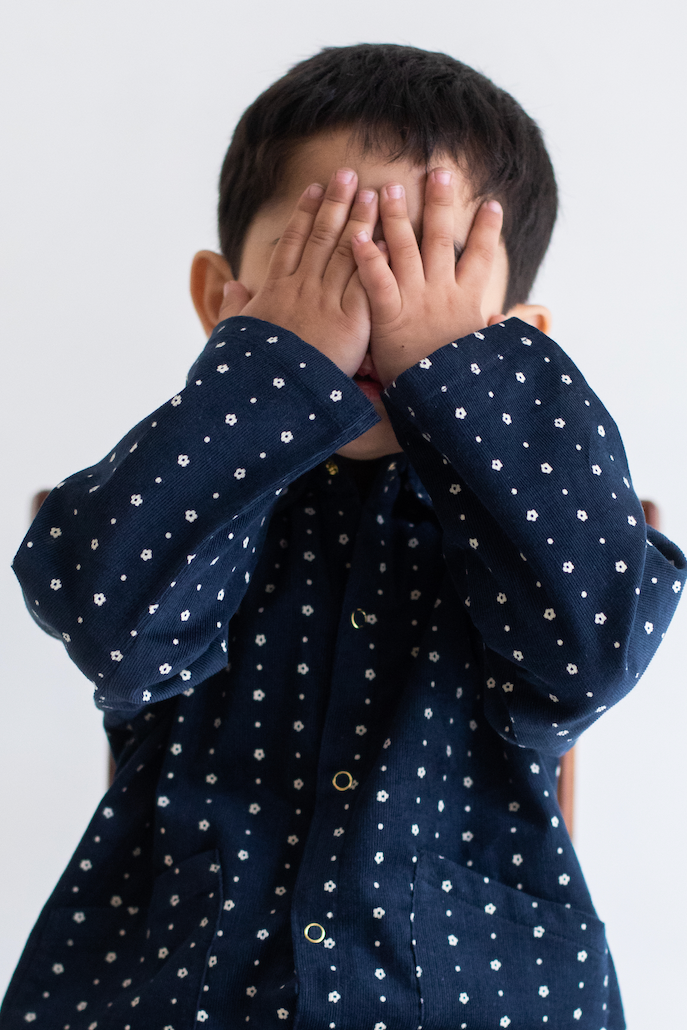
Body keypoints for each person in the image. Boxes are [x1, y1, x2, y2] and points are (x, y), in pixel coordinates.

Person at [2, 43, 684, 1030]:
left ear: (515, 338)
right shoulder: (182, 489)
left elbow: (587, 652)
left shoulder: (540, 521)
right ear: (223, 301)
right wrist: (275, 372)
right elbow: (114, 622)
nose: (380, 305)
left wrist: (466, 384)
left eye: (431, 266)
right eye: (328, 253)